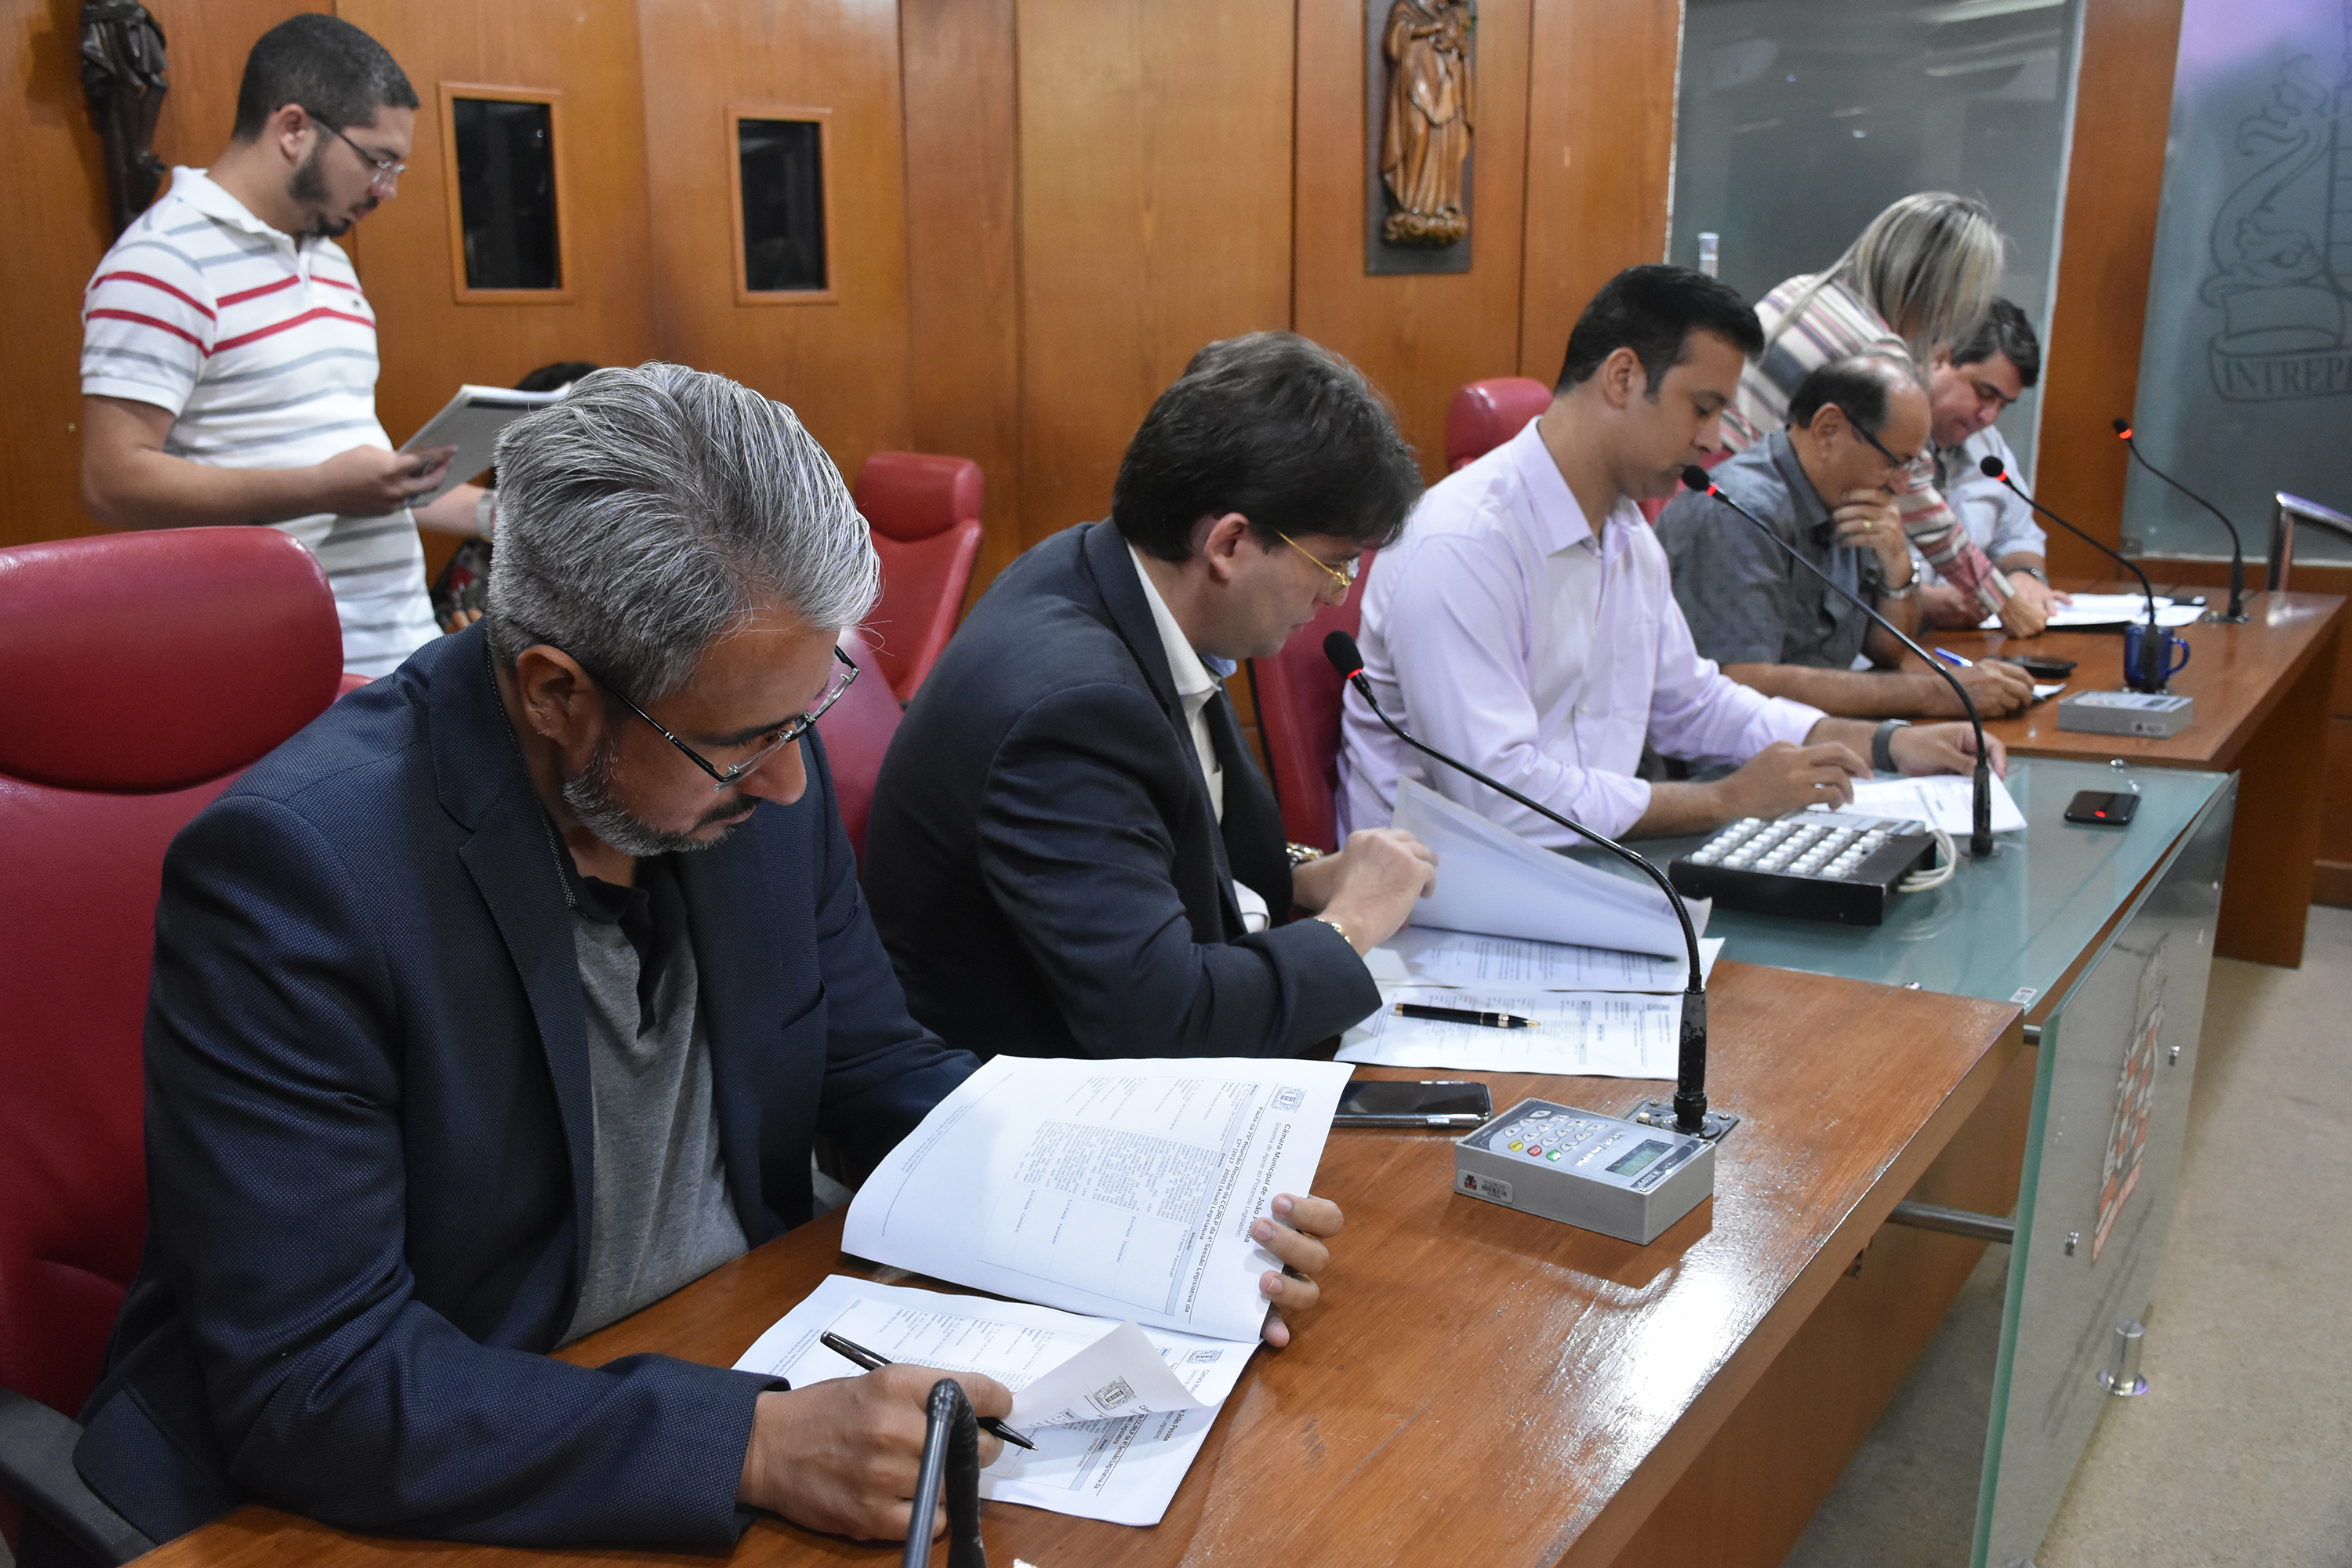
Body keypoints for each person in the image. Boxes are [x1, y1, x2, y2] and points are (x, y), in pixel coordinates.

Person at [49, 365, 1346, 1563]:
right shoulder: (302, 876)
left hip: (730, 1340)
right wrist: (751, 1445)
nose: (791, 788)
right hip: (429, 1472)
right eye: (741, 746)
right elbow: (316, 1377)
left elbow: (873, 1070)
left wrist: (1163, 1215)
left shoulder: (739, 742)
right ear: (556, 693)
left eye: (807, 715)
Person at [863, 332, 1438, 1064]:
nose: (1336, 596)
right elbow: (1163, 1020)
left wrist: (1305, 876)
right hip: (1025, 1099)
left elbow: (1160, 838)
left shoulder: (1104, 574)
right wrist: (1352, 923)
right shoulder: (1073, 710)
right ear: (1229, 545)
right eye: (1333, 564)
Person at [1337, 265, 2004, 848]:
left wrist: (1886, 743)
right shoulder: (1464, 541)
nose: (1713, 440)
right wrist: (1723, 800)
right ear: (1623, 377)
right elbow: (1502, 798)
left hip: (1584, 865)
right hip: (1452, 895)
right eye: (1702, 408)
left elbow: (1694, 703)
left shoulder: (1627, 535)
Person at [77, 16, 483, 677]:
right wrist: (321, 487)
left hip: (398, 648)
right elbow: (112, 482)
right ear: (294, 128)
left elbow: (353, 477)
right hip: (280, 667)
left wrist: (497, 512)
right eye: (377, 161)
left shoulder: (328, 259)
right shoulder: (162, 262)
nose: (387, 190)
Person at [1716, 192, 2049, 637]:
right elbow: (1918, 501)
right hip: (1749, 536)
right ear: (1942, 294)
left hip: (1706, 501)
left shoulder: (1799, 291)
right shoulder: (1879, 355)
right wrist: (2004, 602)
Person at [1657, 354, 2033, 720]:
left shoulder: (1849, 494)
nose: (1902, 485)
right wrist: (1939, 694)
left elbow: (1887, 650)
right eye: (1895, 462)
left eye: (1911, 465)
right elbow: (1744, 684)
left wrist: (1897, 562)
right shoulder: (1740, 511)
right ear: (1829, 430)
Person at [1918, 299, 2062, 629]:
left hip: (1965, 642)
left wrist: (2025, 575)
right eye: (1984, 393)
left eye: (2002, 405)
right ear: (1938, 358)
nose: (1988, 416)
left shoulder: (1988, 445)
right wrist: (1921, 602)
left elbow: (2018, 538)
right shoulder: (1876, 440)